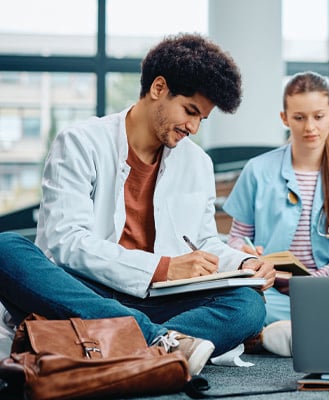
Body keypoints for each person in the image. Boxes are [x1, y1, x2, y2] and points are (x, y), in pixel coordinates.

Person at [0, 33, 274, 376]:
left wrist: (245, 262)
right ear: (158, 88)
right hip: (83, 290)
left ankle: (130, 344)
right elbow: (65, 242)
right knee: (6, 248)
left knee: (248, 305)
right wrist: (161, 267)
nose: (193, 126)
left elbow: (204, 242)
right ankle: (160, 342)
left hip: (155, 301)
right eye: (190, 111)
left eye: (202, 119)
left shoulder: (198, 162)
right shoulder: (80, 142)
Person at [222, 71, 329, 357]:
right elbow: (237, 238)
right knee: (238, 303)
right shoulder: (257, 169)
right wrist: (247, 255)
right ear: (284, 118)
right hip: (273, 290)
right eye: (299, 117)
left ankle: (277, 333)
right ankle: (315, 332)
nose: (309, 127)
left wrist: (314, 285)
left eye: (318, 116)